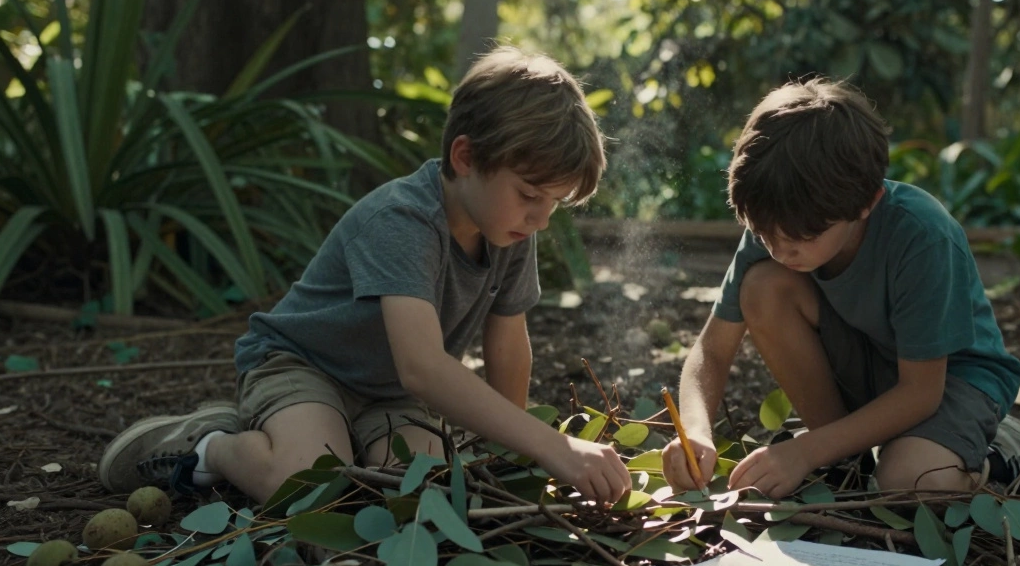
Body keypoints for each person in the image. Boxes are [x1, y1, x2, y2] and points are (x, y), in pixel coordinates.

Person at [99, 47, 631, 505]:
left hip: (390, 394)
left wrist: (512, 448)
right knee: (308, 484)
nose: (540, 218)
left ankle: (328, 436)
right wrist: (551, 445)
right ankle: (207, 442)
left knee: (424, 491)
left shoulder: (509, 228)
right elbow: (422, 367)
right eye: (531, 195)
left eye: (555, 204)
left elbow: (509, 343)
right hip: (303, 365)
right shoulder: (401, 220)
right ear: (466, 157)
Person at [661, 79, 1020, 499]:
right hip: (871, 367)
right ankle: (843, 460)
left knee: (911, 483)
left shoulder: (922, 234)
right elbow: (712, 349)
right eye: (763, 234)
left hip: (950, 381)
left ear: (866, 203)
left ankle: (1009, 455)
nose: (781, 250)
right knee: (763, 285)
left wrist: (803, 453)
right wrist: (695, 431)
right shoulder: (781, 218)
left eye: (802, 237)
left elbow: (920, 393)